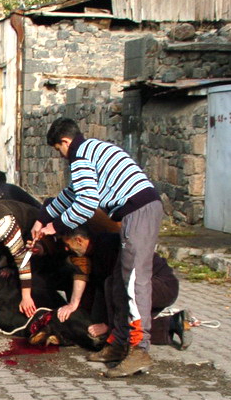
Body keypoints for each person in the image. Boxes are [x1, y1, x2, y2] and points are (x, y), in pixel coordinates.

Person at [32, 117, 164, 378]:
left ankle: (139, 350)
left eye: (59, 150)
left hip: (140, 212)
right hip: (136, 213)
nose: (62, 157)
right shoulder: (92, 150)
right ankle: (118, 343)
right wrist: (42, 218)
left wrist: (55, 228)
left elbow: (87, 203)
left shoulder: (80, 156)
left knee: (135, 282)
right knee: (117, 281)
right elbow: (70, 195)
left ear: (65, 142)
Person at [59, 225, 192, 352]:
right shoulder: (93, 252)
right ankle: (173, 323)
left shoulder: (106, 246)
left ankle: (119, 337)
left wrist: (108, 325)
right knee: (125, 327)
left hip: (160, 286)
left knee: (120, 326)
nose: (66, 249)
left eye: (67, 245)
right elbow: (93, 284)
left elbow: (116, 289)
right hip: (144, 287)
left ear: (79, 240)